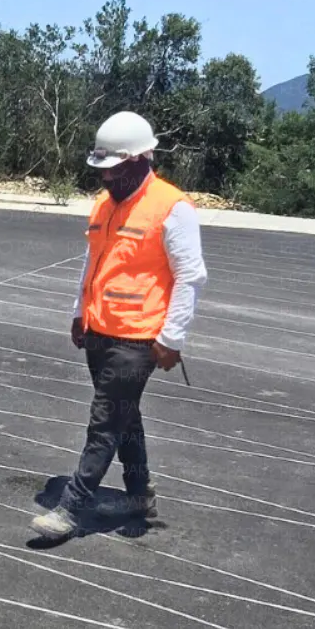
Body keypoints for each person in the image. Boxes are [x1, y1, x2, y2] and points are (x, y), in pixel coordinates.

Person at [30, 110, 207, 543]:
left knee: (105, 421)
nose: (105, 178)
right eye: (102, 169)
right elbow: (95, 262)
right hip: (99, 330)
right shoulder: (104, 204)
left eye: (113, 169)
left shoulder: (171, 207)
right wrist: (79, 311)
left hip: (139, 337)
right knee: (124, 418)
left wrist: (171, 337)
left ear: (140, 159)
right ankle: (138, 494)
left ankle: (71, 507)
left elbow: (191, 276)